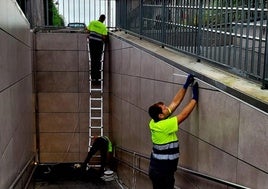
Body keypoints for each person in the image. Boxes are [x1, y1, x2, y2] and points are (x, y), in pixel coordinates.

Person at [148, 74, 198, 189]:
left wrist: (185, 86)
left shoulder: (154, 121)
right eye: (164, 108)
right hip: (162, 173)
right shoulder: (164, 125)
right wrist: (194, 98)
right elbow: (184, 114)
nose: (167, 107)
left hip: (158, 170)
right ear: (161, 115)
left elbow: (175, 103)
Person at [87, 14, 108, 83]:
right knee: (98, 60)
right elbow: (104, 37)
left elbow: (87, 31)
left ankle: (92, 78)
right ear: (104, 20)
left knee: (93, 60)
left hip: (91, 43)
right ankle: (97, 78)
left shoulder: (92, 22)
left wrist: (91, 34)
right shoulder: (104, 27)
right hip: (99, 44)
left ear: (99, 18)